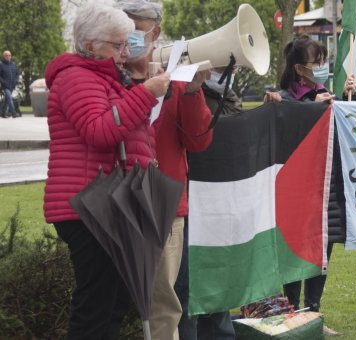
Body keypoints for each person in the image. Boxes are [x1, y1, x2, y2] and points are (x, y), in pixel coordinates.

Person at [44, 3, 170, 338]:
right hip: (89, 206)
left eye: (128, 43)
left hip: (105, 204)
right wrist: (145, 94)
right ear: (89, 44)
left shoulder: (107, 79)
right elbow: (99, 131)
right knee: (97, 308)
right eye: (118, 45)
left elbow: (136, 137)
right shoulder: (76, 77)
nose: (125, 52)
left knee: (111, 306)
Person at [119, 1, 213, 339]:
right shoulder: (109, 75)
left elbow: (198, 141)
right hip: (117, 199)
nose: (128, 33)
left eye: (136, 26)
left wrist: (192, 92)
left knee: (164, 305)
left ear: (156, 32)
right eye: (122, 25)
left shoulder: (174, 77)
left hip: (166, 202)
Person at [264, 35, 354, 337]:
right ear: (301, 69)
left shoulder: (326, 94)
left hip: (325, 192)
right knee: (295, 256)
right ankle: (293, 315)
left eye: (323, 61)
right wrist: (309, 110)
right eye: (317, 62)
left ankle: (313, 314)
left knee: (321, 255)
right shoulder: (285, 99)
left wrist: (346, 99)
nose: (321, 66)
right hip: (298, 195)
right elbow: (285, 140)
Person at [174, 70, 240, 340]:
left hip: (210, 198)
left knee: (211, 278)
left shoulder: (220, 96)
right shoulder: (180, 89)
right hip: (191, 198)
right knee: (189, 285)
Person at [0, 50, 20, 118]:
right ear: (4, 56)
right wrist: (3, 82)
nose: (8, 57)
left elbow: (17, 74)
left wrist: (16, 80)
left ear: (11, 56)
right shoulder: (1, 65)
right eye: (6, 55)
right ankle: (14, 113)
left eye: (9, 55)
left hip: (12, 85)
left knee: (7, 99)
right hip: (5, 86)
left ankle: (3, 113)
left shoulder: (13, 64)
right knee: (10, 98)